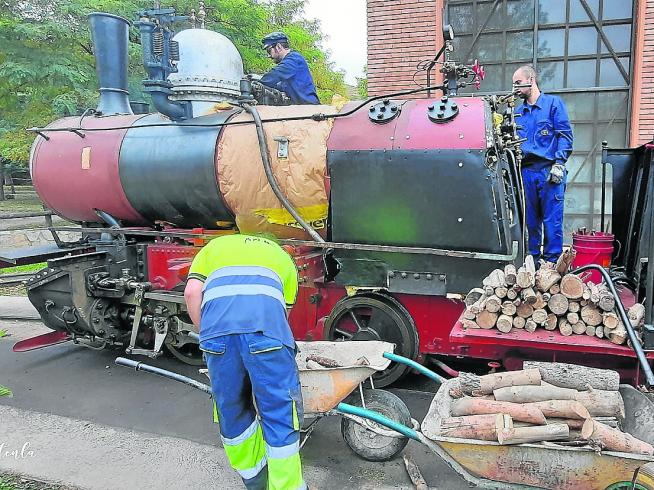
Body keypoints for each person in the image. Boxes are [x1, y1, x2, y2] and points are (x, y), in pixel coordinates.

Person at [184, 234, 305, 490]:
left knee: (232, 410)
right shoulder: (283, 258)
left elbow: (192, 292)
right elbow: (282, 316)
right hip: (266, 335)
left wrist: (207, 334)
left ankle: (255, 481)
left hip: (217, 336)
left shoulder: (214, 247)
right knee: (279, 414)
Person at [512, 65, 574, 263]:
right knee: (530, 221)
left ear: (531, 80)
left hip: (549, 172)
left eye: (518, 83)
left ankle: (551, 264)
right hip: (527, 172)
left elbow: (565, 135)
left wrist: (559, 163)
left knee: (552, 220)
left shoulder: (553, 104)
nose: (515, 88)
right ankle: (532, 262)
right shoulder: (518, 113)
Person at [260, 31, 320, 105]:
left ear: (278, 47)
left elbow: (275, 74)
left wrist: (256, 83)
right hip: (300, 110)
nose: (269, 56)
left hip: (309, 109)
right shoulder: (288, 69)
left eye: (269, 51)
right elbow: (277, 86)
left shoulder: (294, 59)